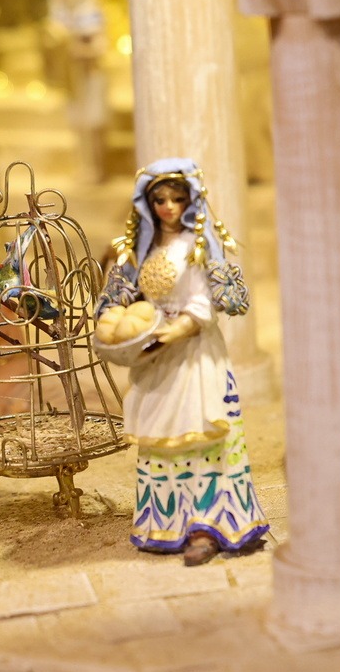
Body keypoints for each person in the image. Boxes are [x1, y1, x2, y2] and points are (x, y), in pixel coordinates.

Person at [97, 159, 267, 565]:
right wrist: (127, 328)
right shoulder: (143, 249)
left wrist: (174, 332)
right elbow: (134, 298)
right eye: (160, 200)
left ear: (191, 202)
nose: (169, 207)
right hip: (155, 354)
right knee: (162, 437)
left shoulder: (198, 246)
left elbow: (201, 302)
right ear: (148, 204)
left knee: (200, 435)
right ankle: (166, 521)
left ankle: (207, 526)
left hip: (193, 352)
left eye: (177, 199)